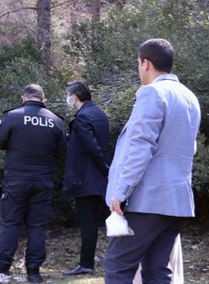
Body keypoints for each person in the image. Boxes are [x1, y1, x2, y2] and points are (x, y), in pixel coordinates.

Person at [104, 39, 201, 284]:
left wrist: (121, 191)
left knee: (118, 266)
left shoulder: (152, 93)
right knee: (157, 270)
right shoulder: (190, 98)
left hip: (147, 202)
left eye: (138, 64)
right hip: (177, 202)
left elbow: (140, 147)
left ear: (146, 64)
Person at [0, 84, 66, 283]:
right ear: (43, 99)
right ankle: (34, 272)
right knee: (38, 226)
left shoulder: (13, 116)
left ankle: (2, 269)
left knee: (11, 223)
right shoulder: (56, 121)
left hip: (16, 180)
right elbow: (62, 151)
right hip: (43, 180)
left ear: (24, 98)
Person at [61, 80, 110, 276]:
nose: (68, 98)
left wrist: (106, 169)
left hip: (86, 177)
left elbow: (92, 147)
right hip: (98, 178)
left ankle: (86, 263)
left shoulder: (82, 117)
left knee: (88, 222)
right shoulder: (99, 113)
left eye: (69, 95)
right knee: (95, 221)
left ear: (75, 96)